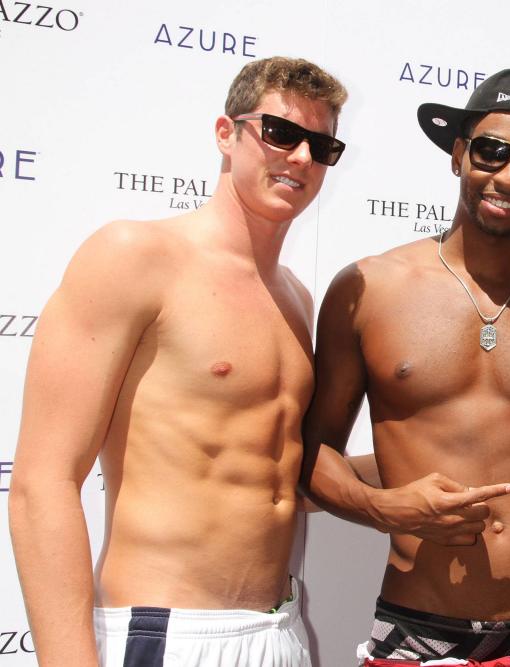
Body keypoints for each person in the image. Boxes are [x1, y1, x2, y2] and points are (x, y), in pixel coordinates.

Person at [9, 56, 348, 667]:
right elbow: (42, 484)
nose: (301, 157)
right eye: (280, 133)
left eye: (321, 145)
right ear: (227, 132)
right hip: (168, 634)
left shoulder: (297, 298)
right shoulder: (134, 257)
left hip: (280, 634)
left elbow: (273, 473)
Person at [301, 69, 510, 666]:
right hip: (416, 634)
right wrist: (381, 508)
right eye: (491, 151)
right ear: (458, 154)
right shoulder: (369, 288)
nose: (508, 176)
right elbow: (311, 454)